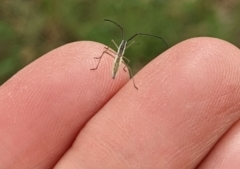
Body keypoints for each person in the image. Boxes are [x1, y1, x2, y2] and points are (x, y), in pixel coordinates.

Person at [1, 37, 240, 168]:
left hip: (118, 61)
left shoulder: (123, 49)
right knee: (108, 59)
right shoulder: (116, 51)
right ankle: (108, 69)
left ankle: (129, 79)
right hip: (110, 61)